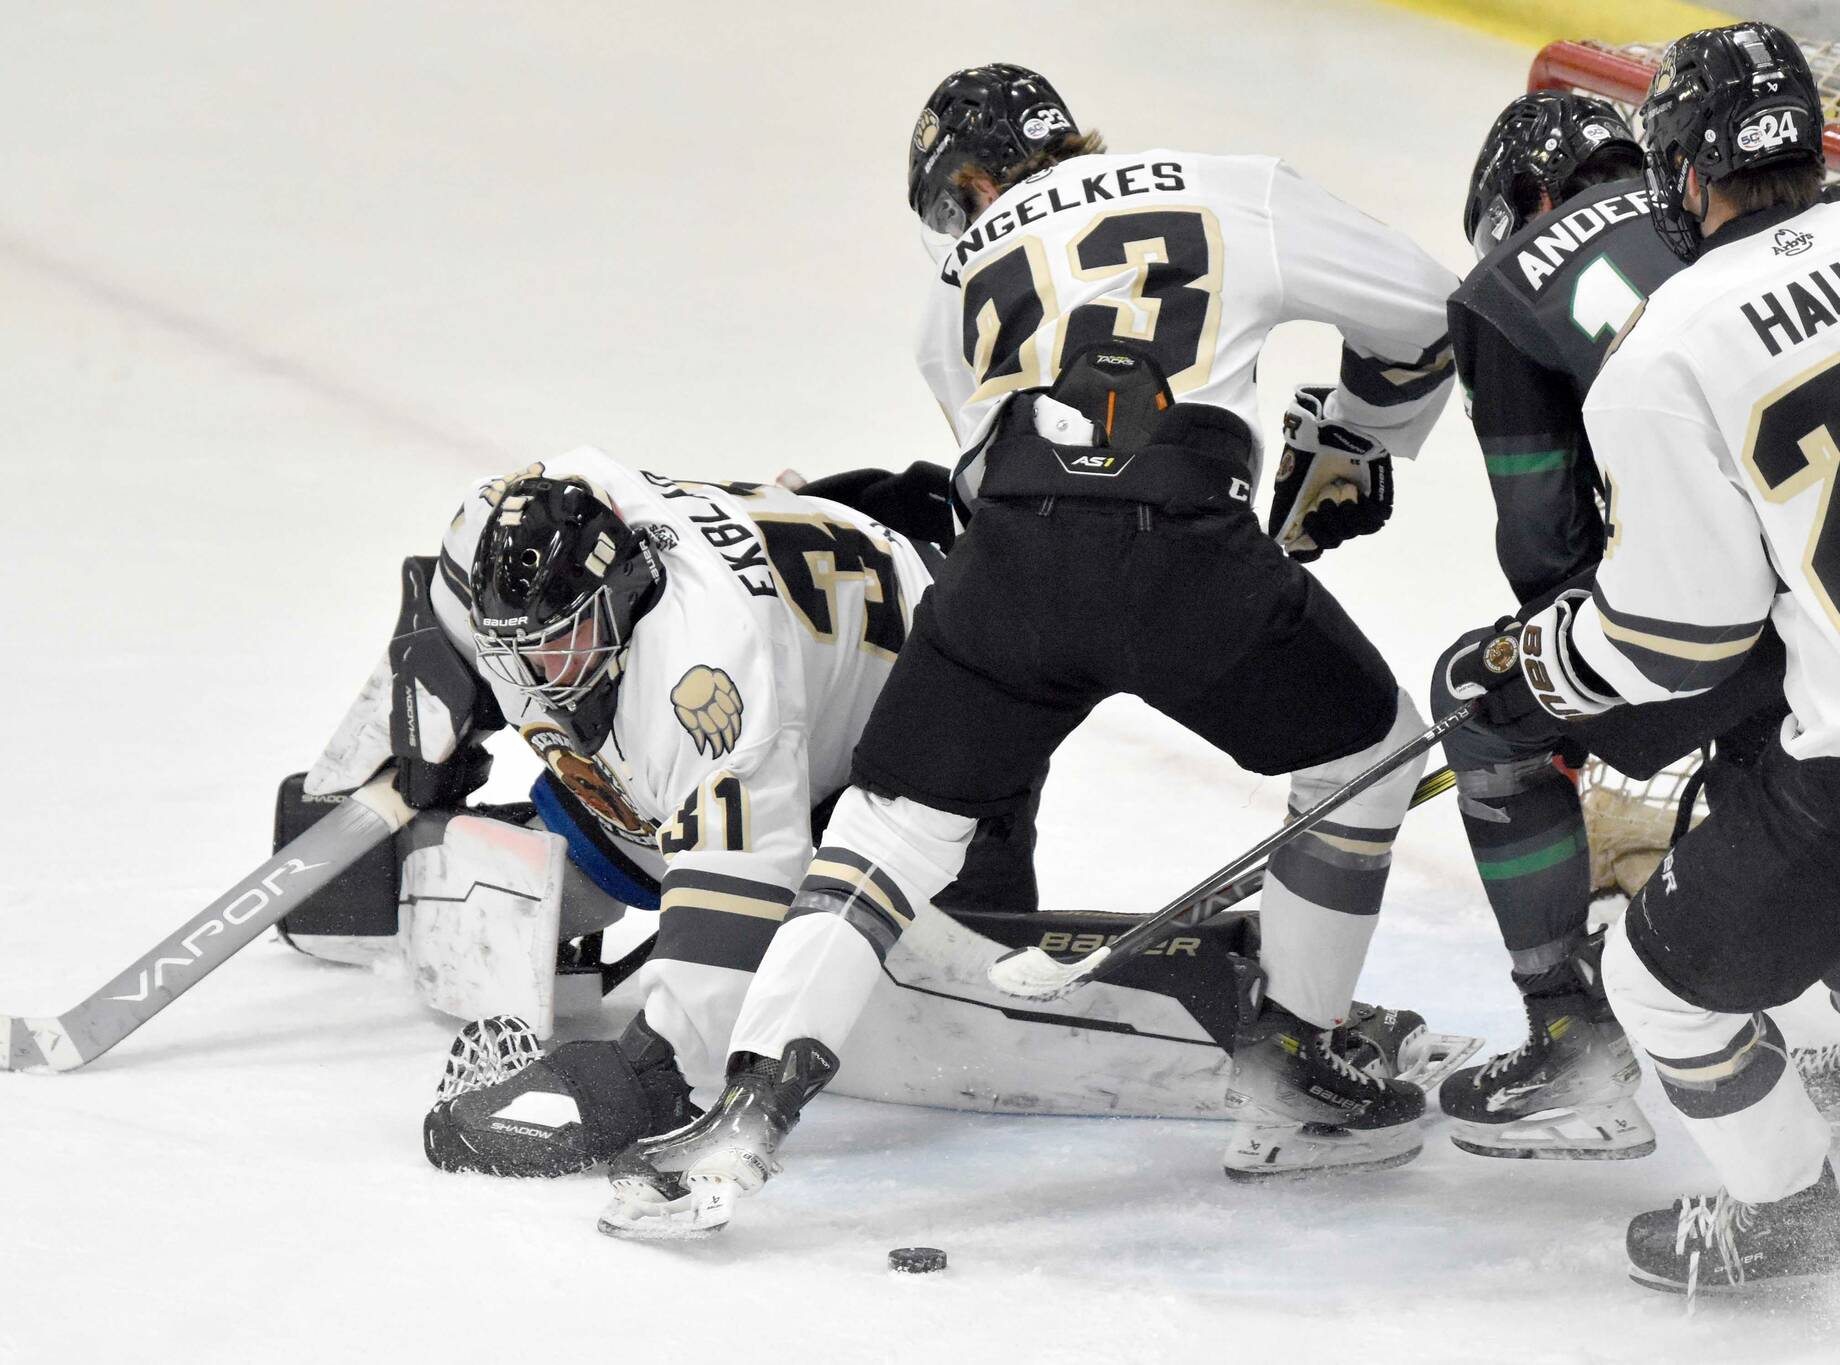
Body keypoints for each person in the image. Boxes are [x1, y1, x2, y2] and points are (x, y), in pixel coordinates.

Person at [597, 63, 1460, 1239]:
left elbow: (1003, 475)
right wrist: (1359, 440)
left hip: (1007, 568)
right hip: (1189, 557)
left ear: (964, 186)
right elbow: (1423, 314)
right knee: (1376, 753)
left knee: (885, 828)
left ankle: (738, 1120)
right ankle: (1296, 1076)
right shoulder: (1229, 189)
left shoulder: (949, 290)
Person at [302, 446, 983, 1177]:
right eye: (514, 652)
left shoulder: (712, 688)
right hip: (794, 582)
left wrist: (645, 1074)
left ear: (624, 590)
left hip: (937, 656)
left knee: (859, 904)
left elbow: (734, 914)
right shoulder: (490, 534)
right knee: (589, 838)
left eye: (557, 646)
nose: (533, 676)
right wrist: (407, 723)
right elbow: (441, 616)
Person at [1458, 22, 1840, 1293]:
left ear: (1677, 172)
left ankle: (1792, 1212)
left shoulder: (1668, 343)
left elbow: (1680, 635)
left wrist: (1535, 665)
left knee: (1662, 989)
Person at [1429, 92, 1791, 1160]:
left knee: (1485, 719)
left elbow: (1546, 558)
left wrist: (1527, 666)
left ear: (1525, 198)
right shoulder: (1747, 230)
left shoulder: (1504, 289)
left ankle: (1567, 1042)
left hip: (1724, 620)